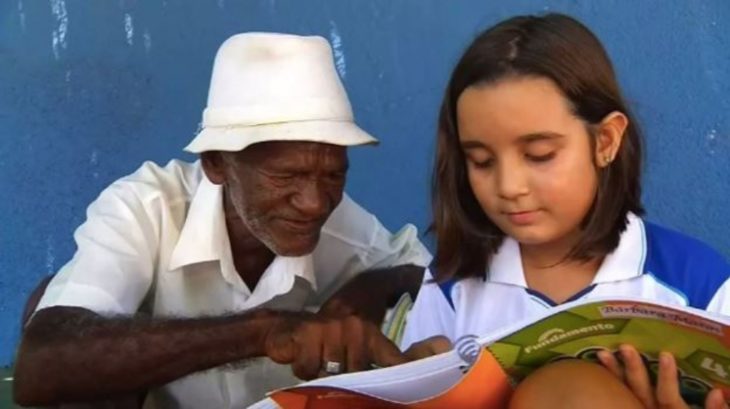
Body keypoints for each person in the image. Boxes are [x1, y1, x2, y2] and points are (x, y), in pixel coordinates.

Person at [13, 32, 431, 408]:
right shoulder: (147, 208)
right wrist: (264, 332)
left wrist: (378, 284)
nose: (315, 203)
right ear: (217, 164)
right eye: (286, 176)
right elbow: (41, 366)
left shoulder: (348, 231)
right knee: (55, 308)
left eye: (334, 174)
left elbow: (443, 280)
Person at [401, 13, 730, 408]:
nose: (509, 187)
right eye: (482, 161)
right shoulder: (451, 287)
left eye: (540, 155)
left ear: (605, 141)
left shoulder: (698, 285)